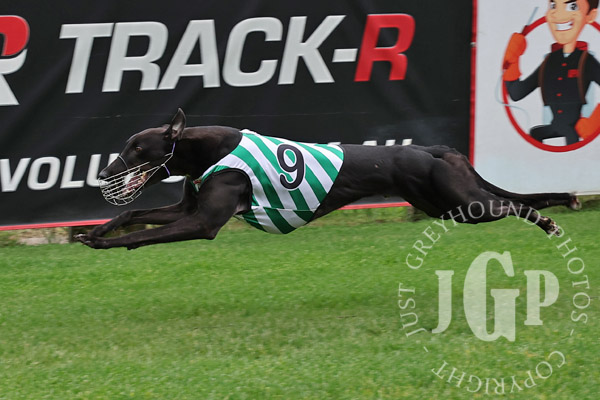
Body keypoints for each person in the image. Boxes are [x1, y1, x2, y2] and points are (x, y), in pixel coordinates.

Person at [503, 0, 600, 145]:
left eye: (572, 6)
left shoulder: (585, 60)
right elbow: (517, 93)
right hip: (554, 126)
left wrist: (594, 122)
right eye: (553, 6)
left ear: (590, 15)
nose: (558, 14)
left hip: (573, 129)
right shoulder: (550, 61)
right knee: (535, 133)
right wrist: (513, 60)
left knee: (571, 141)